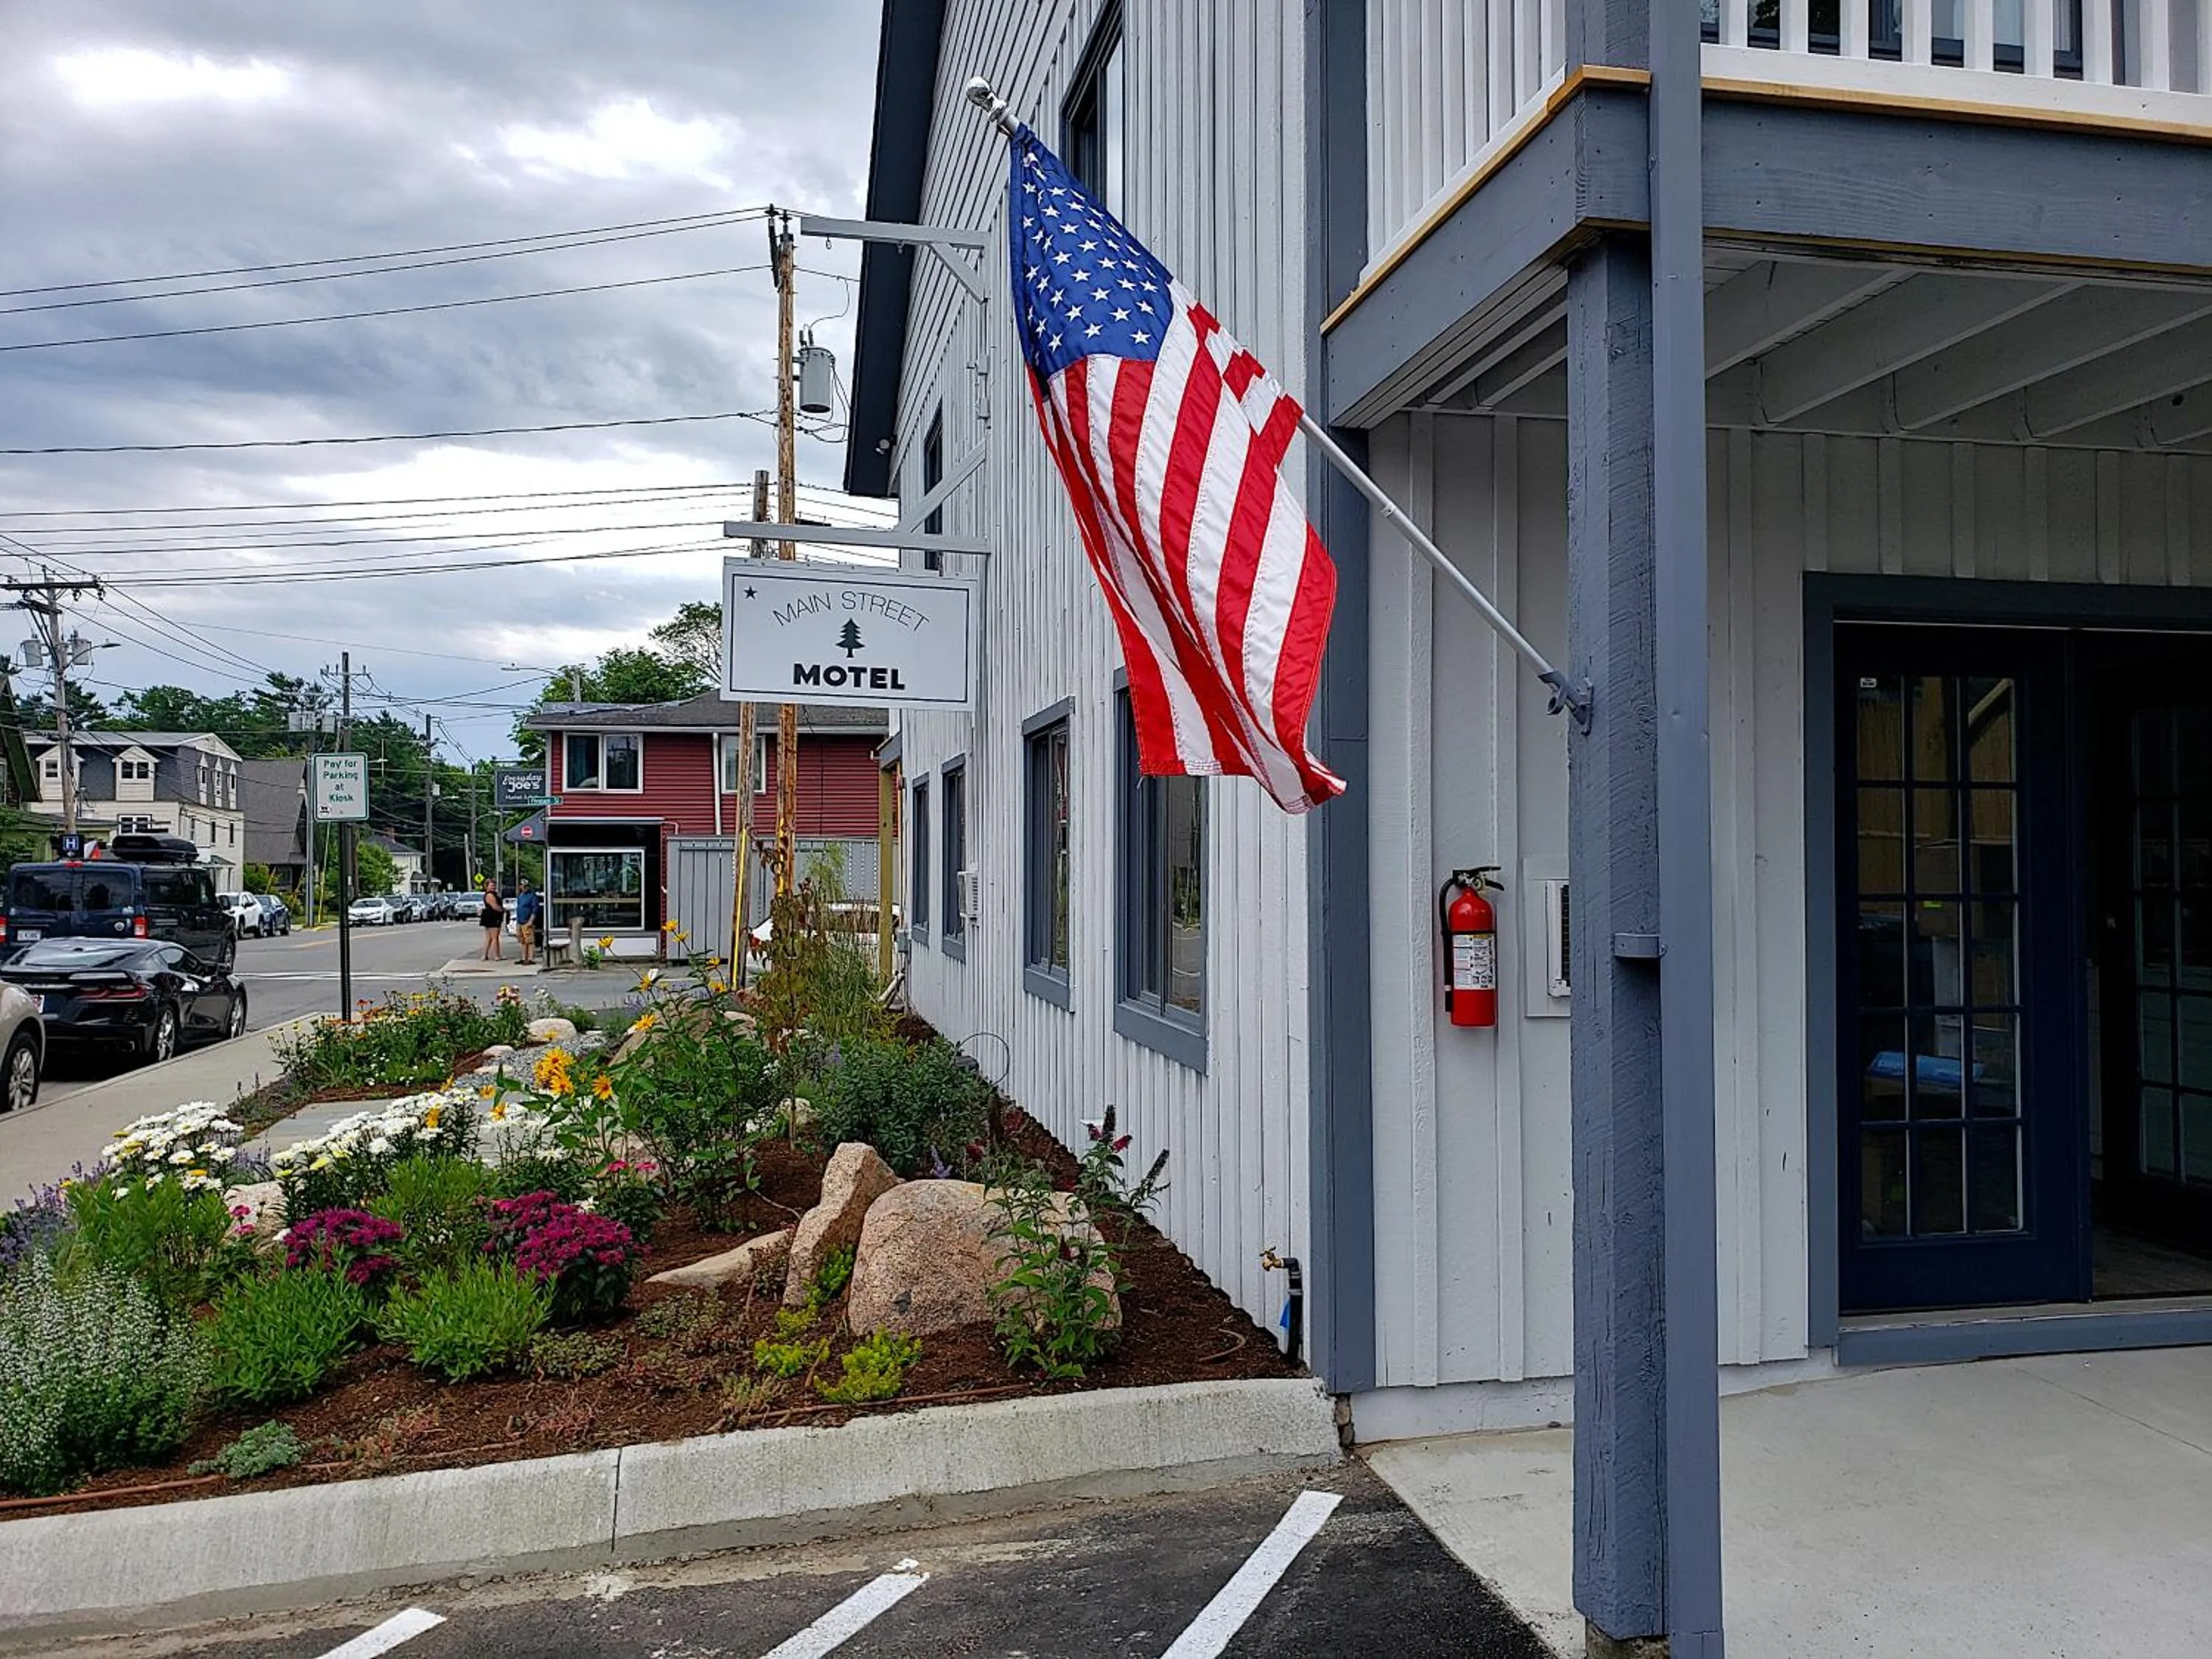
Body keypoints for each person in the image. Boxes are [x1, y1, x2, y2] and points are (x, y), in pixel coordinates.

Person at [514, 877, 541, 965]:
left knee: (530, 941)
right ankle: (523, 958)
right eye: (523, 886)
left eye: (526, 886)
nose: (525, 888)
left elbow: (535, 910)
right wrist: (517, 922)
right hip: (520, 921)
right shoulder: (521, 896)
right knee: (522, 940)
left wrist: (531, 921)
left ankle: (531, 958)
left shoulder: (533, 896)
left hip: (528, 921)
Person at [478, 878, 505, 961]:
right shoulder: (490, 895)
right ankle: (496, 956)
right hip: (493, 917)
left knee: (489, 938)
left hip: (490, 917)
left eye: (494, 885)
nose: (493, 887)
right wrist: (503, 910)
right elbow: (495, 906)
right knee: (494, 938)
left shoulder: (492, 894)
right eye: (491, 885)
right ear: (487, 886)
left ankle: (484, 955)